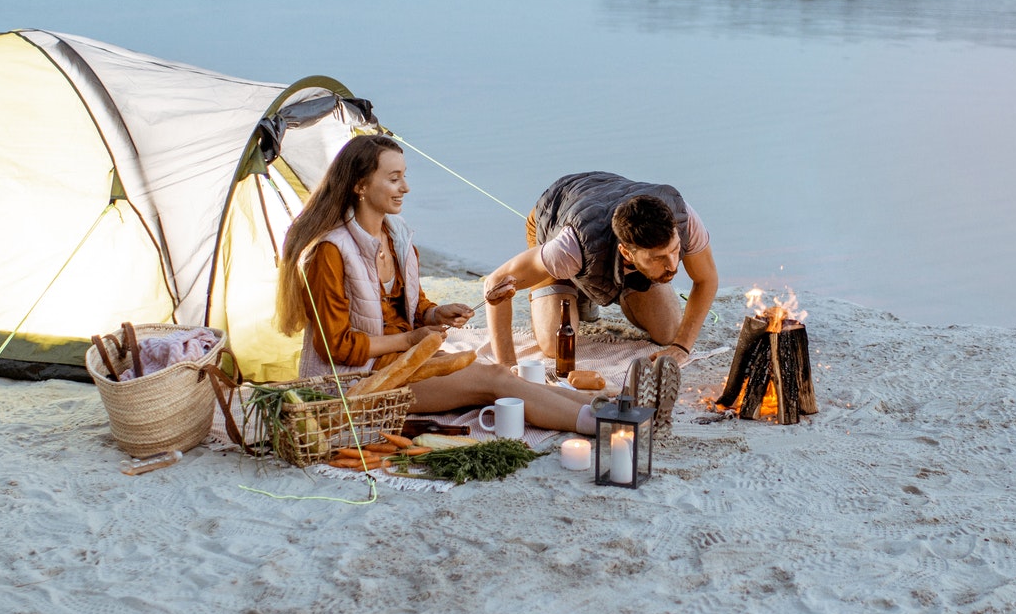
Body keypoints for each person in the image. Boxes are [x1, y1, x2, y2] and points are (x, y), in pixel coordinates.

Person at [276, 135, 601, 435]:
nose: (405, 187)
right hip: (358, 381)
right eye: (393, 178)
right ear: (360, 186)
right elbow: (336, 347)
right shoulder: (329, 252)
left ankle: (600, 410)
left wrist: (434, 315)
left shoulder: (397, 235)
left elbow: (411, 306)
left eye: (404, 176)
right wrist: (412, 338)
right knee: (495, 380)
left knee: (495, 375)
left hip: (406, 359)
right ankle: (595, 425)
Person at [482, 171, 718, 428]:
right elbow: (495, 283)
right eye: (658, 258)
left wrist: (682, 348)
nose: (673, 265)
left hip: (605, 230)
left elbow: (706, 279)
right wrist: (506, 366)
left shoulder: (683, 218)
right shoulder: (567, 248)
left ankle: (591, 286)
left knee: (669, 332)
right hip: (558, 215)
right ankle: (574, 283)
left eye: (674, 250)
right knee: (554, 344)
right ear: (626, 252)